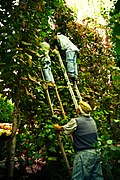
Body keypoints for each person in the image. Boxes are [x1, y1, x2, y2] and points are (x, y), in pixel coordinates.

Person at [54, 100, 104, 180]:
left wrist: (57, 127)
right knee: (96, 178)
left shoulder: (76, 121)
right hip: (95, 153)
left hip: (84, 155)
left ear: (79, 110)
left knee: (78, 178)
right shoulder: (92, 121)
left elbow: (64, 129)